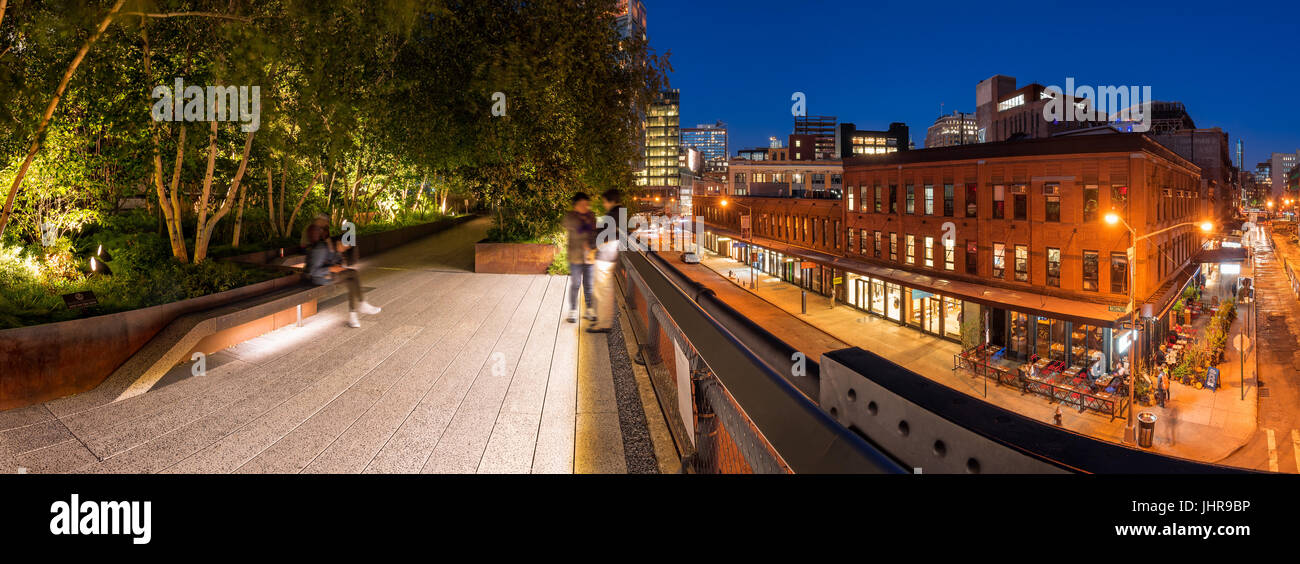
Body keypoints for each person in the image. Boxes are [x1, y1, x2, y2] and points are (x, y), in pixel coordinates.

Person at [304, 221, 381, 328]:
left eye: (347, 248)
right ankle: (361, 305)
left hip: (329, 276)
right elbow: (312, 271)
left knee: (351, 281)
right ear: (339, 241)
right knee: (353, 274)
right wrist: (331, 268)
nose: (344, 249)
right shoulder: (321, 248)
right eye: (345, 246)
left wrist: (339, 266)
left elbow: (337, 264)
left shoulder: (336, 250)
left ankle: (353, 317)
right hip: (318, 278)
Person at [588, 189, 625, 334]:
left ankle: (603, 323)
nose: (604, 205)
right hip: (612, 255)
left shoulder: (613, 214)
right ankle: (603, 321)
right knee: (606, 290)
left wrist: (592, 249)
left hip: (604, 256)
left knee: (602, 291)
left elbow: (604, 235)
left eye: (604, 201)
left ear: (610, 201)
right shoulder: (622, 213)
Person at [563, 192, 597, 323]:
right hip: (575, 256)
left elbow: (594, 234)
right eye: (582, 204)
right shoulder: (570, 217)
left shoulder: (591, 216)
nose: (585, 207)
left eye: (586, 204)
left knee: (589, 285)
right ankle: (572, 310)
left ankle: (589, 310)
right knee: (576, 284)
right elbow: (576, 230)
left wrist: (591, 244)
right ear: (575, 205)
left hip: (589, 256)